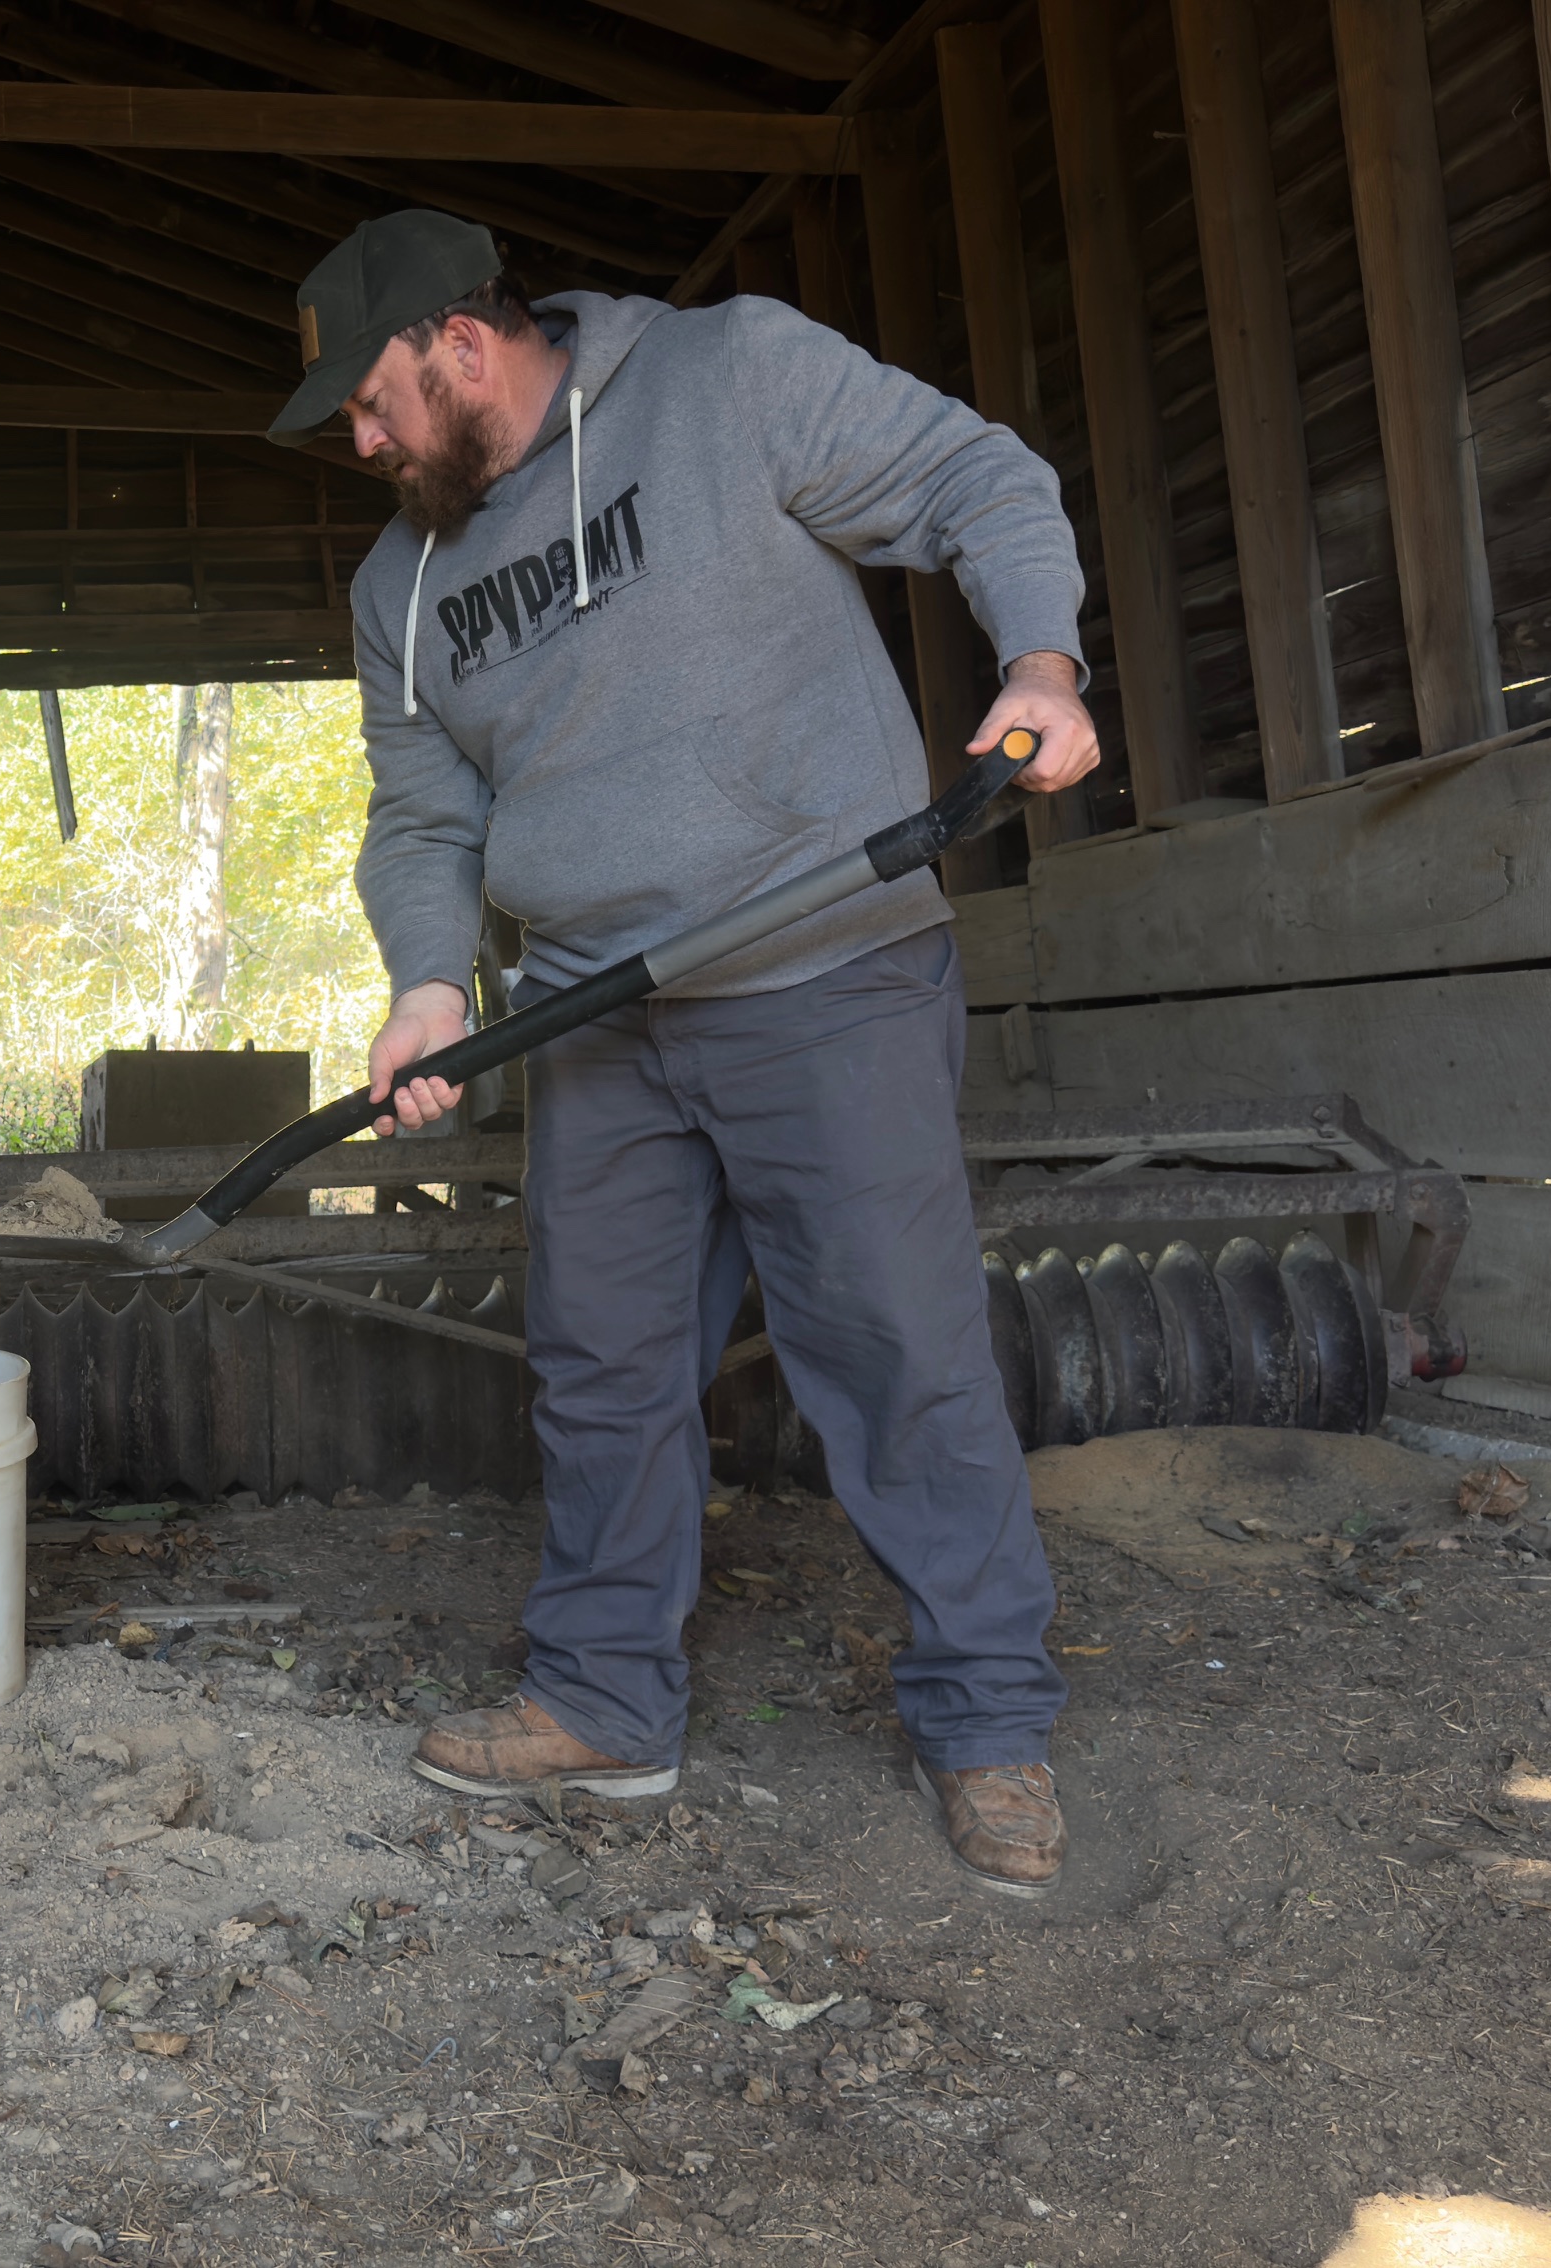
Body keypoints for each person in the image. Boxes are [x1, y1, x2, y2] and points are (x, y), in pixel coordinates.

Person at [270, 209, 1098, 1896]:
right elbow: (423, 814)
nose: (360, 446)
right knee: (600, 1366)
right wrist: (430, 984)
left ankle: (988, 1723)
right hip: (595, 1014)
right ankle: (603, 1701)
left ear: (461, 341)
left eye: (371, 404)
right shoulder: (398, 585)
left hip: (825, 968)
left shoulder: (729, 379)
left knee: (897, 1354)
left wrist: (1041, 665)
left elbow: (979, 480)